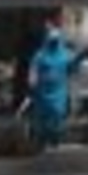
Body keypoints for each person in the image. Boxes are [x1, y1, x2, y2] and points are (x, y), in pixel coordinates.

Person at [27, 12, 79, 157]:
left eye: (55, 41)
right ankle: (42, 141)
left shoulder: (65, 53)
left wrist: (80, 57)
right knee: (42, 117)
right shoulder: (40, 54)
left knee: (57, 115)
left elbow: (72, 67)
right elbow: (33, 68)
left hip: (58, 91)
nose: (53, 43)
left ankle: (54, 140)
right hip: (42, 91)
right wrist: (32, 79)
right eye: (51, 41)